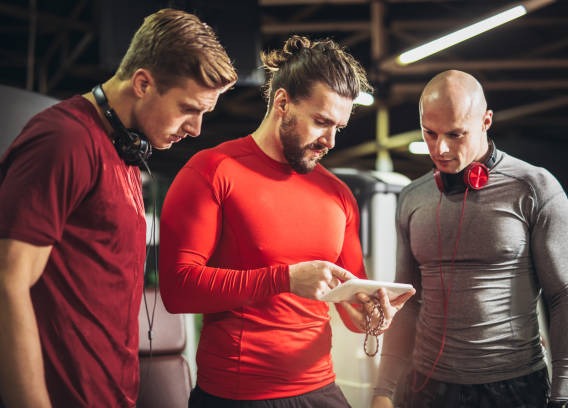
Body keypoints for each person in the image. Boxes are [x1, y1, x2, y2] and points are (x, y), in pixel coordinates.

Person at [159, 35, 415, 407]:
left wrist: (373, 312)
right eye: (321, 121)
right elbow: (178, 289)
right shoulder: (212, 171)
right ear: (283, 103)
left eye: (338, 128)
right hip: (237, 396)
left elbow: (351, 305)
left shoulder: (338, 194)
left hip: (320, 389)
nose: (329, 140)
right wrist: (286, 278)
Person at [0, 8, 236, 408]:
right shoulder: (65, 140)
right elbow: (8, 282)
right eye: (188, 109)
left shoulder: (122, 152)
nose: (196, 129)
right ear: (143, 83)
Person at [372, 70, 568, 408]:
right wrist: (383, 390)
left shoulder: (534, 188)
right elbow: (408, 303)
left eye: (456, 134)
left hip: (513, 388)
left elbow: (566, 298)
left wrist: (564, 399)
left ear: (486, 121)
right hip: (426, 388)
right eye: (430, 133)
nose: (440, 148)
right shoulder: (413, 198)